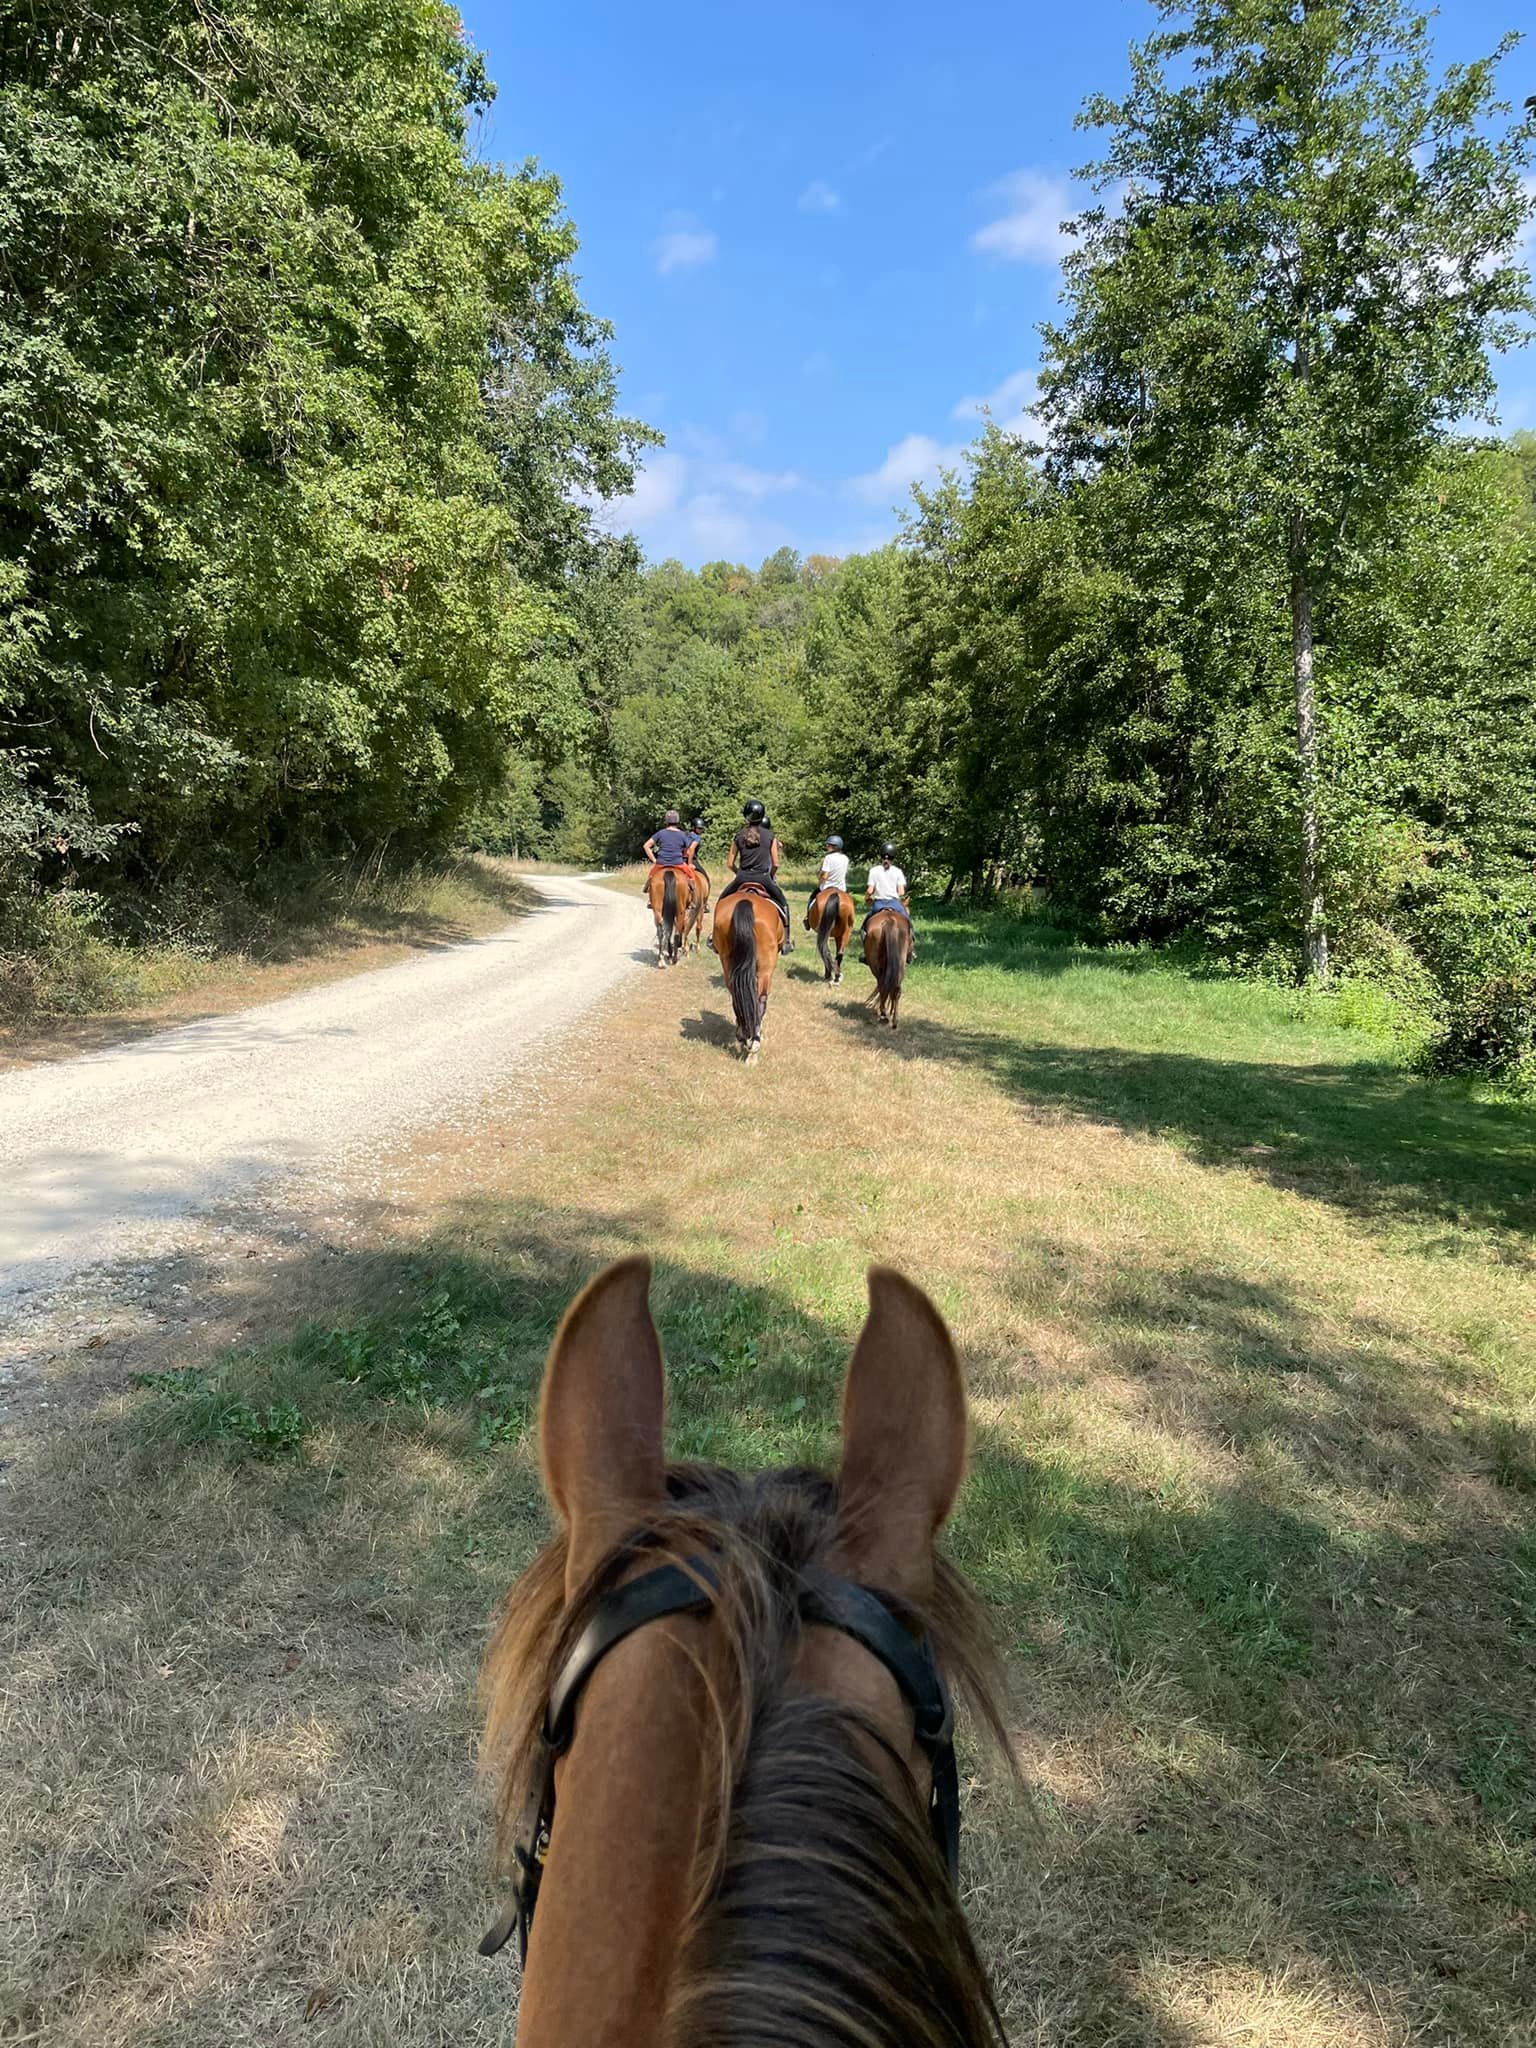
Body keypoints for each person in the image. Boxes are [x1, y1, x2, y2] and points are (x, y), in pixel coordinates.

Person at [715, 799, 793, 949]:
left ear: (745, 816)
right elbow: (776, 864)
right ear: (762, 814)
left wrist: (739, 873)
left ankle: (714, 938)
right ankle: (787, 941)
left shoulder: (738, 836)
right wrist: (770, 876)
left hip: (742, 878)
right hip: (764, 878)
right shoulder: (770, 836)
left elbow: (730, 864)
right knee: (783, 904)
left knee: (721, 902)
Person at [863, 840, 915, 956]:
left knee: (865, 925)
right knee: (908, 923)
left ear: (881, 856)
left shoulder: (874, 871)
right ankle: (911, 950)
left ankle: (865, 952)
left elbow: (870, 890)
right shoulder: (898, 871)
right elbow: (901, 892)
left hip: (879, 904)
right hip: (895, 903)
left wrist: (867, 897)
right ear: (894, 857)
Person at [640, 810, 691, 896]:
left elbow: (646, 846)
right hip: (678, 863)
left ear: (666, 821)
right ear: (677, 821)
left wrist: (654, 860)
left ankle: (648, 890)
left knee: (651, 877)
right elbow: (688, 851)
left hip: (661, 863)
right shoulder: (683, 835)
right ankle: (693, 896)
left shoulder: (660, 833)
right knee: (691, 876)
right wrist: (683, 856)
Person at [805, 835, 850, 928]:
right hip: (841, 888)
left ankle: (808, 919)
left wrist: (819, 881)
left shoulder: (828, 858)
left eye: (828, 845)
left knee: (811, 899)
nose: (826, 847)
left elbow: (825, 876)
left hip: (826, 887)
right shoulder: (845, 859)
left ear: (835, 847)